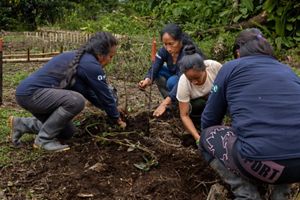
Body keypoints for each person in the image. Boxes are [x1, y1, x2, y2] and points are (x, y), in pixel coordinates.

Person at [199, 28, 300, 199]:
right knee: (285, 138)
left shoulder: (230, 68)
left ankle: (245, 193)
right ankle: (281, 194)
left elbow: (210, 119)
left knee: (206, 137)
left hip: (257, 161)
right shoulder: (288, 71)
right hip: (297, 165)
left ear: (238, 52)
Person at [8, 31, 126, 152]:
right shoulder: (91, 66)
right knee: (76, 101)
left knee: (67, 132)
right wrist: (116, 118)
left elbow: (89, 93)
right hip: (32, 94)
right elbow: (104, 94)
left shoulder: (81, 59)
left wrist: (111, 110)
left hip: (30, 95)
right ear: (101, 55)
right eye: (111, 56)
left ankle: (21, 124)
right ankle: (43, 140)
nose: (110, 60)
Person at [138, 23, 204, 117]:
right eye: (165, 44)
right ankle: (173, 102)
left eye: (171, 44)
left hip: (191, 83)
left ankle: (180, 103)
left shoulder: (188, 53)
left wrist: (164, 103)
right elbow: (155, 66)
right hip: (176, 76)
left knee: (172, 82)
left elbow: (183, 80)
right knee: (157, 72)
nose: (168, 48)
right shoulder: (164, 50)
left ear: (180, 40)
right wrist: (147, 80)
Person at [176, 44, 221, 145]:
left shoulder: (214, 67)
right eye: (190, 79)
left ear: (204, 69)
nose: (194, 82)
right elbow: (184, 115)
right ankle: (198, 126)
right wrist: (197, 137)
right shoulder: (183, 82)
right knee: (199, 104)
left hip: (216, 100)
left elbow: (228, 89)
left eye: (197, 78)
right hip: (197, 108)